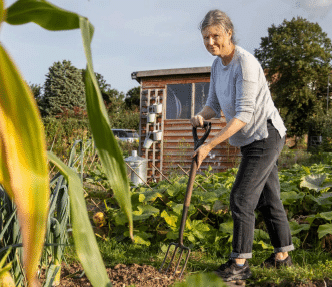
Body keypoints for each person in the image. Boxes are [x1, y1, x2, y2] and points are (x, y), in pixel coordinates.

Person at [190, 9, 294, 282]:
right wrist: (202, 115)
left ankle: (239, 265)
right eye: (205, 37)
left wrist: (209, 145)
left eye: (215, 35)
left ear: (229, 33)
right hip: (250, 138)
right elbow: (213, 104)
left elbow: (243, 115)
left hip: (265, 134)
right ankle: (283, 257)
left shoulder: (245, 63)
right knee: (268, 199)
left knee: (241, 196)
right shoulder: (217, 65)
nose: (211, 42)